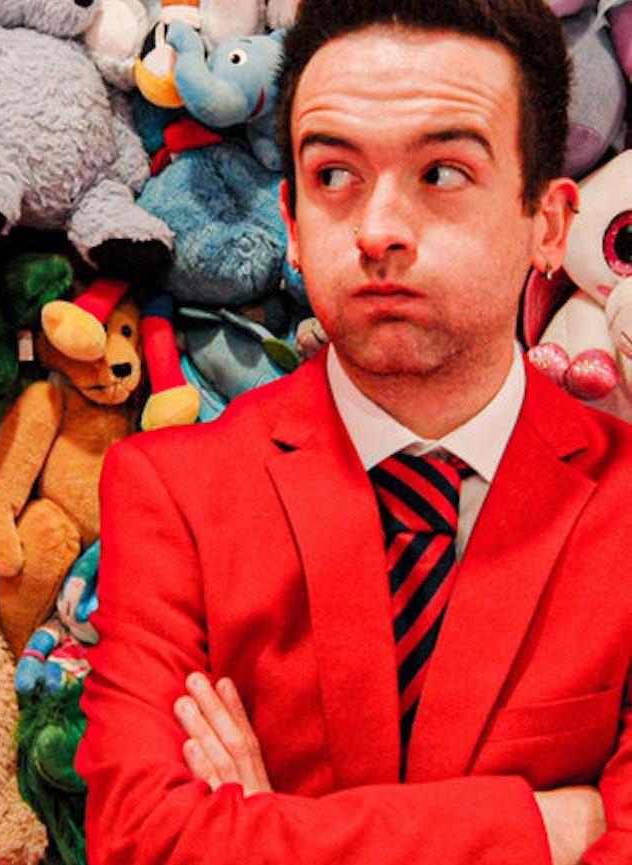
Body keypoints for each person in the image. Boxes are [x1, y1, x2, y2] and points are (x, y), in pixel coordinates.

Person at [77, 0, 630, 862]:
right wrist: (541, 826)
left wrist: (261, 833)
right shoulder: (174, 494)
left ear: (548, 224)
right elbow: (147, 843)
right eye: (334, 176)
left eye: (443, 173)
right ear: (292, 225)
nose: (376, 230)